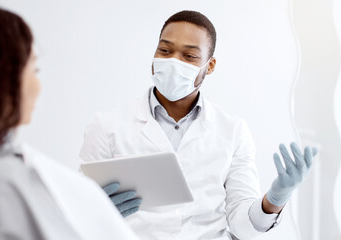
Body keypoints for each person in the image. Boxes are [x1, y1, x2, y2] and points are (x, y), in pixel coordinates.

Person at [79, 10, 318, 240]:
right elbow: (77, 213)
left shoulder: (232, 131)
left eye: (189, 56)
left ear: (210, 65)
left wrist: (276, 198)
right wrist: (95, 209)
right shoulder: (107, 126)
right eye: (164, 50)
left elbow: (242, 228)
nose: (173, 61)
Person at [0, 6, 138, 240]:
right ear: (2, 77)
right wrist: (89, 218)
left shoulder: (6, 167)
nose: (38, 85)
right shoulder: (2, 179)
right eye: (34, 69)